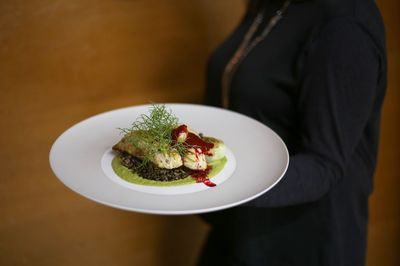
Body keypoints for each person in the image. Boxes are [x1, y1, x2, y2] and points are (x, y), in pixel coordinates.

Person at [198, 0, 387, 265]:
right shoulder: (274, 4)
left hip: (303, 239)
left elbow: (324, 164)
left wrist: (214, 181)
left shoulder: (345, 24)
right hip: (241, 220)